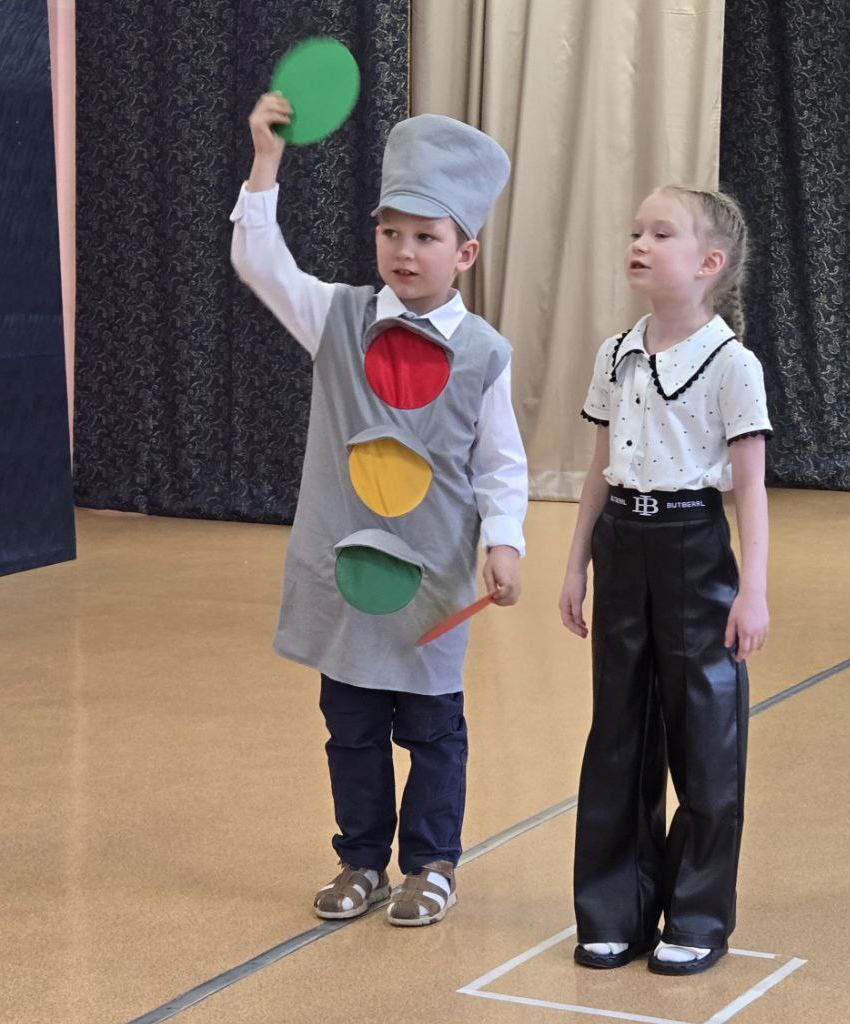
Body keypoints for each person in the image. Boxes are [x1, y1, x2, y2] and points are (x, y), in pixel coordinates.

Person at [231, 94, 526, 927]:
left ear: (464, 252)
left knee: (432, 728)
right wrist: (266, 162)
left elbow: (500, 463)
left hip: (431, 585)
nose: (404, 250)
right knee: (352, 727)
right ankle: (361, 860)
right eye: (390, 231)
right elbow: (261, 265)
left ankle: (431, 863)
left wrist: (505, 542)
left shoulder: (484, 354)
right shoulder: (338, 318)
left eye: (426, 236)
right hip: (349, 577)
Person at [559, 186, 771, 975]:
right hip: (622, 543)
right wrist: (577, 562)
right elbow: (597, 466)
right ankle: (615, 909)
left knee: (705, 736)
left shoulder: (732, 364)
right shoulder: (615, 353)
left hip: (692, 549)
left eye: (661, 233)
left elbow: (750, 486)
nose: (639, 243)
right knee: (618, 732)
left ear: (709, 263)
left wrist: (753, 589)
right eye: (635, 231)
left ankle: (698, 914)